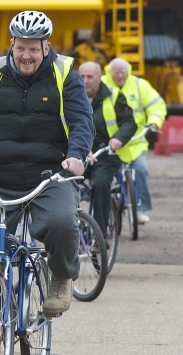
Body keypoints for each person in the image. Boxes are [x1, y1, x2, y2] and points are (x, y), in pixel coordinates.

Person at [0, 10, 94, 350]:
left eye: (33, 49)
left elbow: (82, 119)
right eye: (20, 48)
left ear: (46, 47)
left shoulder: (64, 73)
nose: (26, 56)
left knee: (62, 222)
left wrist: (76, 154)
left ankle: (62, 277)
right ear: (12, 44)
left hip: (50, 175)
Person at [102, 57, 167, 224]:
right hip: (111, 144)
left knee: (141, 170)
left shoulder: (140, 85)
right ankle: (108, 212)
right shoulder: (102, 84)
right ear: (110, 72)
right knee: (105, 178)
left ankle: (140, 208)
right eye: (116, 73)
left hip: (135, 143)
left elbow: (157, 104)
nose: (120, 76)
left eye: (123, 72)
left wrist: (154, 121)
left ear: (128, 71)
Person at [79, 62, 136, 240]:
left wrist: (118, 138)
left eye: (90, 77)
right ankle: (70, 230)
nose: (86, 81)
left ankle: (99, 235)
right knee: (64, 183)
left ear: (99, 77)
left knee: (101, 184)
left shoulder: (114, 96)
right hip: (80, 152)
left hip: (106, 153)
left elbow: (130, 122)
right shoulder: (71, 95)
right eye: (82, 77)